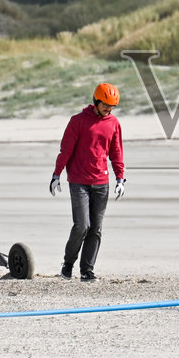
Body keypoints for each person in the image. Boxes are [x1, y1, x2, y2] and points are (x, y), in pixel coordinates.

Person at [51, 82, 126, 282]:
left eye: (112, 106)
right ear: (96, 101)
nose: (109, 109)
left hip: (101, 183)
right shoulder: (78, 121)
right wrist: (56, 175)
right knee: (82, 225)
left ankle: (87, 271)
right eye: (105, 105)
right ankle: (68, 264)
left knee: (96, 229)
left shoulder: (114, 123)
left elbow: (116, 153)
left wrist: (120, 178)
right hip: (79, 182)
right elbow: (66, 150)